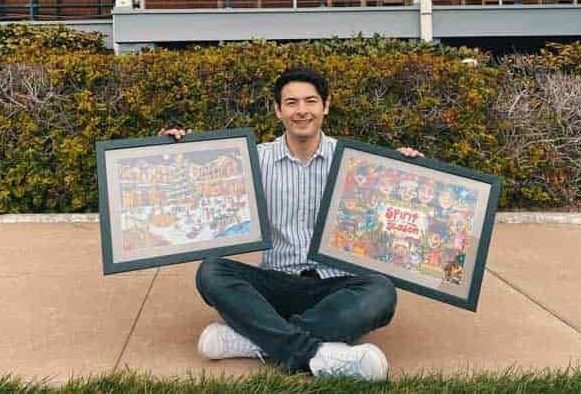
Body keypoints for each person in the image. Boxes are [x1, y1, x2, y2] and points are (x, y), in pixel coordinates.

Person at [159, 66, 423, 380]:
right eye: (291, 102)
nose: (301, 110)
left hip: (336, 287)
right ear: (278, 110)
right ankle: (320, 354)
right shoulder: (255, 160)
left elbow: (394, 211)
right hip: (275, 283)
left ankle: (256, 339)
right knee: (211, 271)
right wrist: (175, 153)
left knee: (382, 292)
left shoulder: (357, 164)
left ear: (325, 106)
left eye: (310, 101)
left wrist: (408, 172)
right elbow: (202, 184)